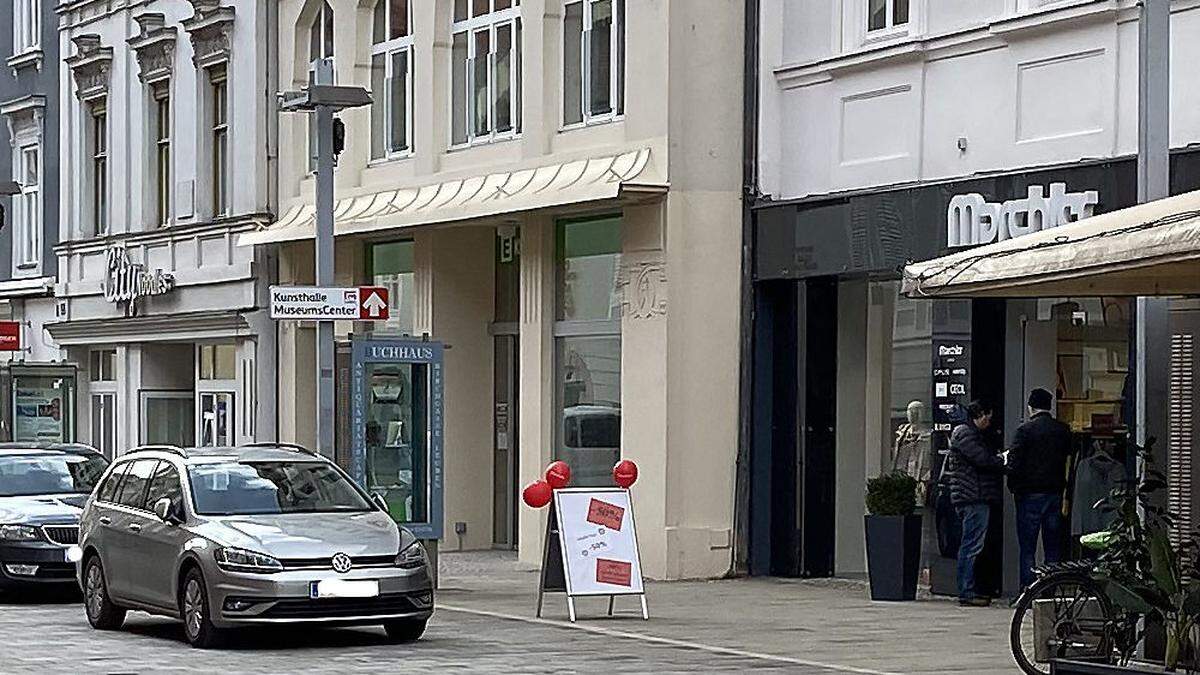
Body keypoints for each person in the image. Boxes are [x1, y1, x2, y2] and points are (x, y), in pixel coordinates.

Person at [1008, 387, 1073, 591]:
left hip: (1029, 494)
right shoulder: (1062, 430)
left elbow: (1014, 462)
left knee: (1028, 548)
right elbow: (1070, 459)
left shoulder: (1024, 431)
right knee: (1052, 546)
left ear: (1030, 407)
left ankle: (1028, 591)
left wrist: (1013, 486)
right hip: (1054, 493)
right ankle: (1051, 590)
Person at [946, 400, 1005, 607]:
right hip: (973, 497)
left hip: (970, 496)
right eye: (987, 418)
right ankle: (966, 591)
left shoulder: (964, 432)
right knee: (971, 545)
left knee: (971, 543)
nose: (989, 422)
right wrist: (1001, 461)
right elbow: (983, 460)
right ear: (979, 415)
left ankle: (968, 589)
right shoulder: (966, 434)